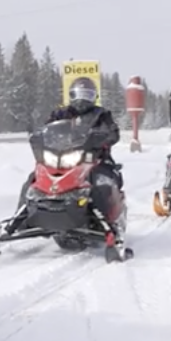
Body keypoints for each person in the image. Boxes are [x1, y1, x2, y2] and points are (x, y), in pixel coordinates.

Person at [9, 77, 126, 235]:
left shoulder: (101, 115)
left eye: (86, 95)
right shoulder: (61, 113)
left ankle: (108, 225)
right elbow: (47, 129)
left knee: (101, 181)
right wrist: (39, 138)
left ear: (93, 97)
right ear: (71, 96)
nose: (81, 100)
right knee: (33, 180)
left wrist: (104, 137)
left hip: (94, 158)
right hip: (63, 157)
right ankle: (19, 220)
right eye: (78, 94)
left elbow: (113, 132)